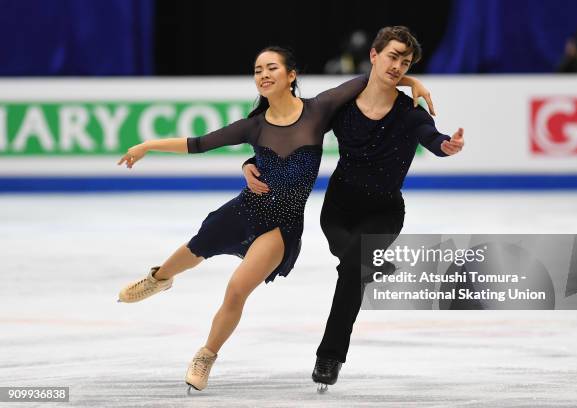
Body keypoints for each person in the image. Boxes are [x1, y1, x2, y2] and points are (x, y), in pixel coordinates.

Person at [116, 45, 432, 392]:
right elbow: (198, 143)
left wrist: (412, 82)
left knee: (236, 289)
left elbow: (372, 78)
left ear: (291, 76)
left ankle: (206, 355)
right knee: (190, 252)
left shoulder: (319, 110)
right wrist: (147, 146)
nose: (263, 75)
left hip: (281, 225)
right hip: (243, 210)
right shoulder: (253, 126)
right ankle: (159, 278)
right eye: (257, 70)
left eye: (271, 68)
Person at [242, 27, 464, 392]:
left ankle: (329, 357)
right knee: (355, 262)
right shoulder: (342, 107)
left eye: (405, 62)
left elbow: (431, 137)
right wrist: (252, 160)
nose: (398, 66)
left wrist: (446, 145)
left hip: (384, 213)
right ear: (374, 56)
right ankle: (372, 263)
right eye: (393, 57)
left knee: (352, 271)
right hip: (338, 210)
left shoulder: (410, 112)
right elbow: (297, 132)